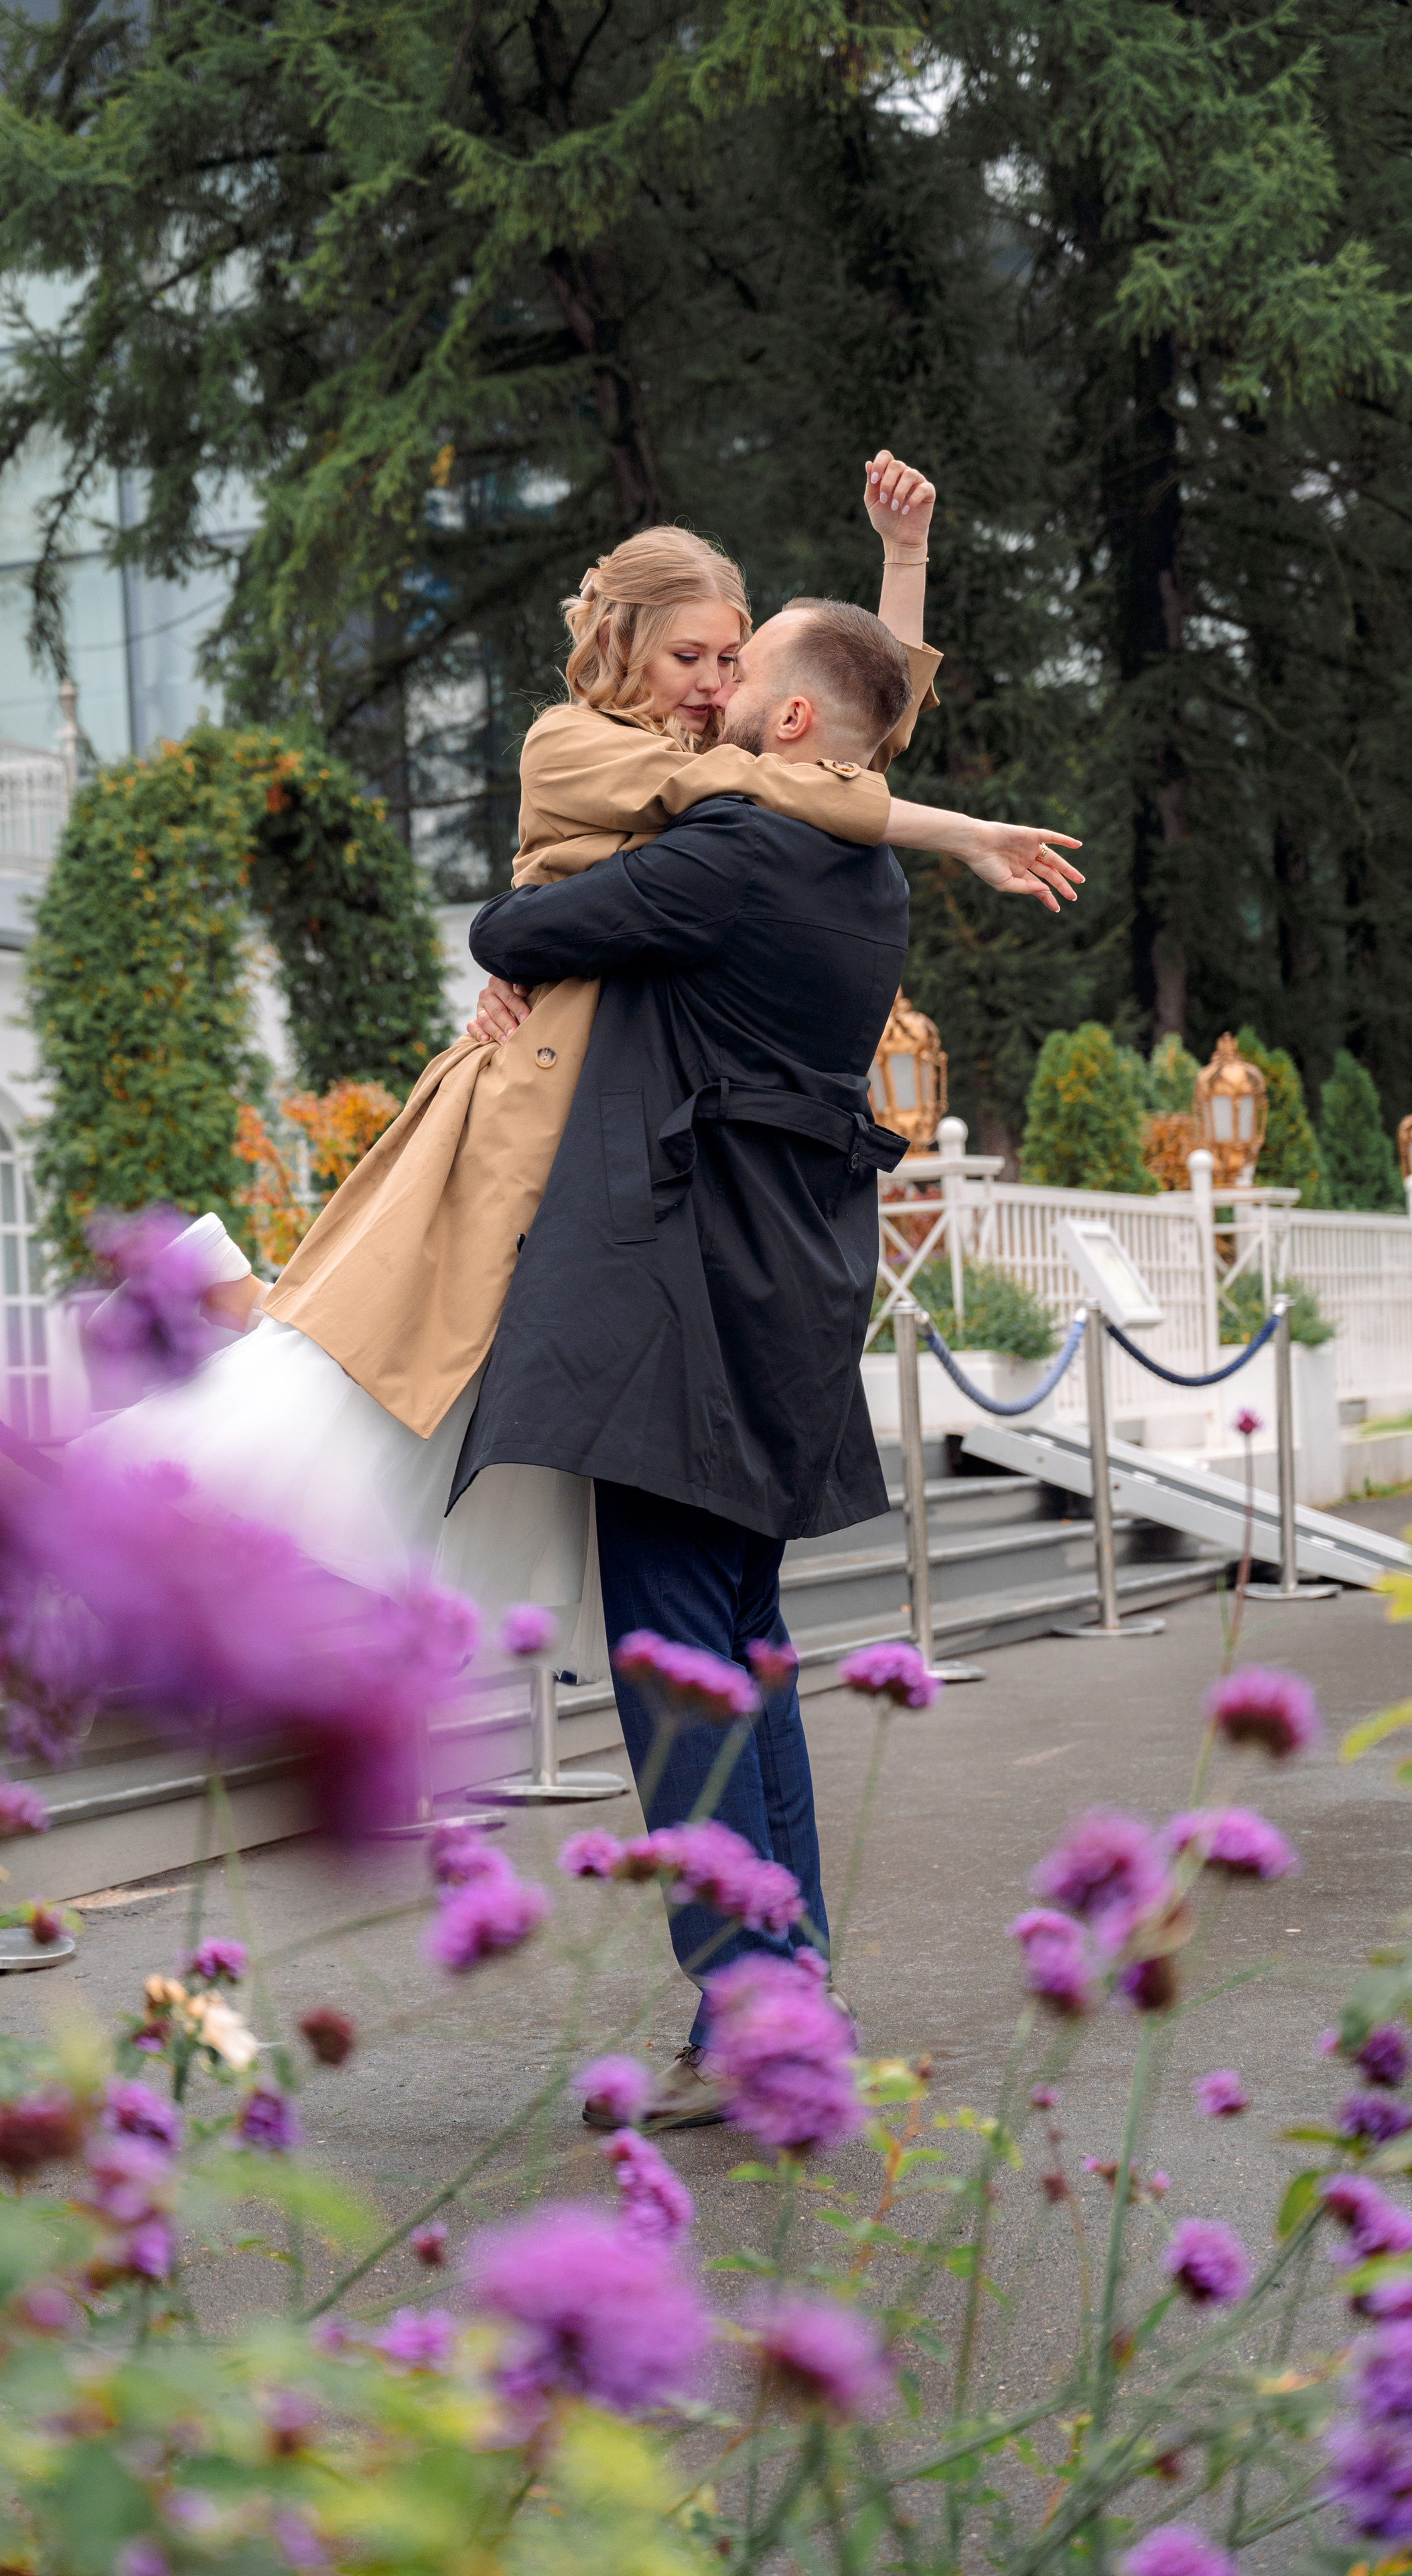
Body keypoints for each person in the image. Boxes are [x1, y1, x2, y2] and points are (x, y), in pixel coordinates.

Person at [98, 459, 1079, 1675]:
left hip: (610, 1104)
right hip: (529, 1095)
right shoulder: (573, 742)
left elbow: (843, 744)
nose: (717, 684)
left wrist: (903, 565)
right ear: (623, 645)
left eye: (732, 660)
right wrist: (965, 831)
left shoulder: (744, 767)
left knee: (445, 1410)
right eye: (691, 660)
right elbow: (791, 775)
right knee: (362, 1379)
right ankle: (137, 1494)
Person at [451, 595, 944, 2126]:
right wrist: (896, 564)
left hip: (676, 1317)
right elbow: (867, 713)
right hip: (779, 1298)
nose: (721, 690)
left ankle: (746, 2009)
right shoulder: (863, 875)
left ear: (791, 723)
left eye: (750, 671)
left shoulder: (728, 856)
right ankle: (790, 1989)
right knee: (746, 1660)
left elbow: (511, 929)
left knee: (677, 1672)